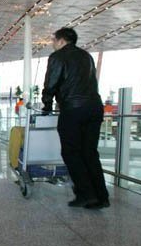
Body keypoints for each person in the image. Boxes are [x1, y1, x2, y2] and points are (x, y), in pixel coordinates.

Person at [42, 27, 109, 209]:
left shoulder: (57, 57)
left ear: (61, 41)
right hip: (95, 107)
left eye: (54, 41)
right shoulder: (86, 56)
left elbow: (51, 83)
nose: (53, 44)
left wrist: (46, 105)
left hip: (73, 109)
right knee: (89, 152)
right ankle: (101, 196)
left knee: (71, 152)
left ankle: (86, 194)